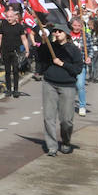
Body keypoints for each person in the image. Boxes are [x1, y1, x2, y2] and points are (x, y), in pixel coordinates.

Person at [33, 25, 82, 157]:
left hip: (68, 86)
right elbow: (39, 57)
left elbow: (78, 69)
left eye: (60, 31)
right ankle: (52, 147)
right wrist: (44, 41)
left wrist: (62, 64)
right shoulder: (50, 46)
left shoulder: (74, 50)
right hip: (49, 84)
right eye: (55, 31)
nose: (57, 33)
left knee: (66, 120)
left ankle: (66, 141)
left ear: (66, 34)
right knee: (49, 117)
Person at [0, 5, 29, 98]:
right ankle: (9, 89)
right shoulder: (3, 26)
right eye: (7, 17)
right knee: (7, 71)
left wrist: (27, 50)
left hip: (16, 52)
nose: (9, 18)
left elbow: (24, 39)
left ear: (15, 17)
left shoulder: (19, 27)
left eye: (10, 17)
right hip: (5, 51)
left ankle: (16, 90)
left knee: (16, 70)